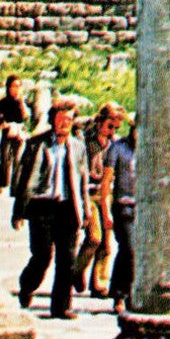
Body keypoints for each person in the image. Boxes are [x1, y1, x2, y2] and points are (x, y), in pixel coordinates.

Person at [12, 98, 89, 319]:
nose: (65, 123)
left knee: (67, 260)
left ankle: (61, 307)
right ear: (53, 120)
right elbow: (24, 179)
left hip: (67, 207)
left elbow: (82, 181)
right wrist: (19, 212)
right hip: (42, 206)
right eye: (61, 119)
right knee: (42, 256)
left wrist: (86, 210)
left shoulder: (78, 147)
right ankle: (27, 286)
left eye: (69, 119)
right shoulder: (37, 144)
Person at [73, 102, 124, 298]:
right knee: (94, 237)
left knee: (106, 245)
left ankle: (99, 283)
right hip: (89, 193)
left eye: (116, 128)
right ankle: (77, 270)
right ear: (101, 121)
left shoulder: (114, 144)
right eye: (110, 126)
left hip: (106, 195)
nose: (112, 131)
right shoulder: (86, 140)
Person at [98, 117, 136, 316]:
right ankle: (120, 294)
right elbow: (106, 181)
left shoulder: (151, 146)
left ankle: (128, 293)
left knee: (134, 252)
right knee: (129, 248)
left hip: (143, 207)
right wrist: (105, 210)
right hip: (123, 206)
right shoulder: (118, 148)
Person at [0, 75, 29, 194]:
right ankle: (0, 181)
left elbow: (26, 117)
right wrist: (6, 125)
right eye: (14, 86)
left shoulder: (21, 102)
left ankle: (16, 188)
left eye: (18, 86)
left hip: (19, 134)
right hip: (7, 134)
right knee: (5, 160)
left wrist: (21, 103)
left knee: (18, 161)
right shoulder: (2, 103)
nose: (16, 89)